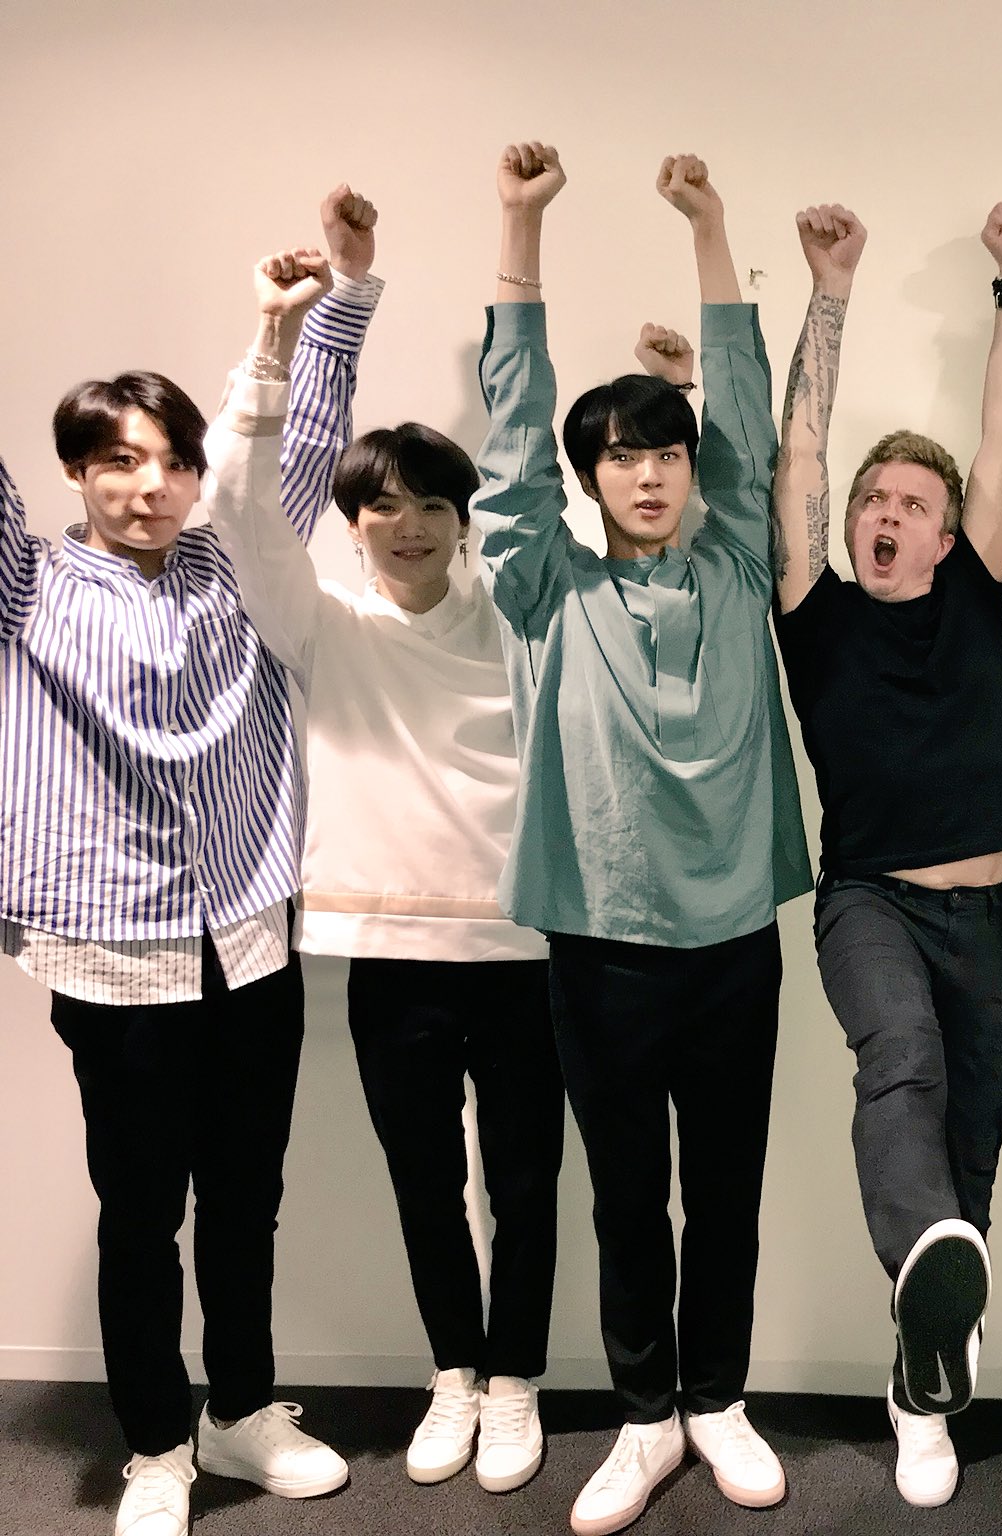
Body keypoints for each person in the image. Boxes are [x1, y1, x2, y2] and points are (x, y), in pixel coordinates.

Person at [471, 142, 811, 1536]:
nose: (652, 474)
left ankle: (717, 1400)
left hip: (734, 942)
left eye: (667, 451)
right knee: (626, 1201)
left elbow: (745, 415)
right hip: (601, 951)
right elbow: (506, 451)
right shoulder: (546, 590)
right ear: (592, 479)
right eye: (622, 456)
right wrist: (520, 228)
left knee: (724, 1195)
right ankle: (645, 1416)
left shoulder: (734, 566)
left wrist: (712, 227)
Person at [205, 188, 566, 1496]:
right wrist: (277, 335)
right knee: (425, 1183)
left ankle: (516, 1380)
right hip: (388, 952)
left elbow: (543, 467)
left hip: (522, 946)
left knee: (525, 1185)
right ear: (351, 518)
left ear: (463, 515)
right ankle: (454, 1374)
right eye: (382, 504)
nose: (406, 523)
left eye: (429, 503)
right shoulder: (323, 622)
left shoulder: (518, 610)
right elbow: (237, 507)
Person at [1, 247, 351, 1536]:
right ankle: (156, 1444)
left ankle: (239, 1409)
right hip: (112, 949)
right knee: (142, 1213)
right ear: (75, 474)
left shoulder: (236, 564)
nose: (149, 487)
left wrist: (310, 318)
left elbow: (296, 451)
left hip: (249, 931)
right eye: (117, 462)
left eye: (172, 463)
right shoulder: (28, 585)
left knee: (246, 1199)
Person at [769, 196, 1002, 1508]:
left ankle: (922, 1383)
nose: (886, 513)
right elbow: (800, 452)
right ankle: (927, 1288)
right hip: (869, 902)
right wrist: (831, 289)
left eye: (913, 502)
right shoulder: (813, 612)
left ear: (949, 532)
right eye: (873, 500)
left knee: (970, 1154)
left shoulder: (976, 591)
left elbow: (1001, 435)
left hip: (993, 918)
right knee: (903, 1060)